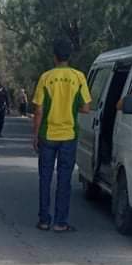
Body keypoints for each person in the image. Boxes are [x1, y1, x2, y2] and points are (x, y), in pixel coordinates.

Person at [32, 37, 92, 233]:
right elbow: (86, 107)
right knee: (64, 179)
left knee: (45, 178)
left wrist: (35, 135)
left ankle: (44, 220)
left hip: (48, 135)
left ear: (54, 56)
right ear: (69, 56)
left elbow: (38, 110)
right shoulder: (78, 77)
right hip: (68, 136)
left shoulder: (46, 77)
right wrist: (72, 108)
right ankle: (60, 222)